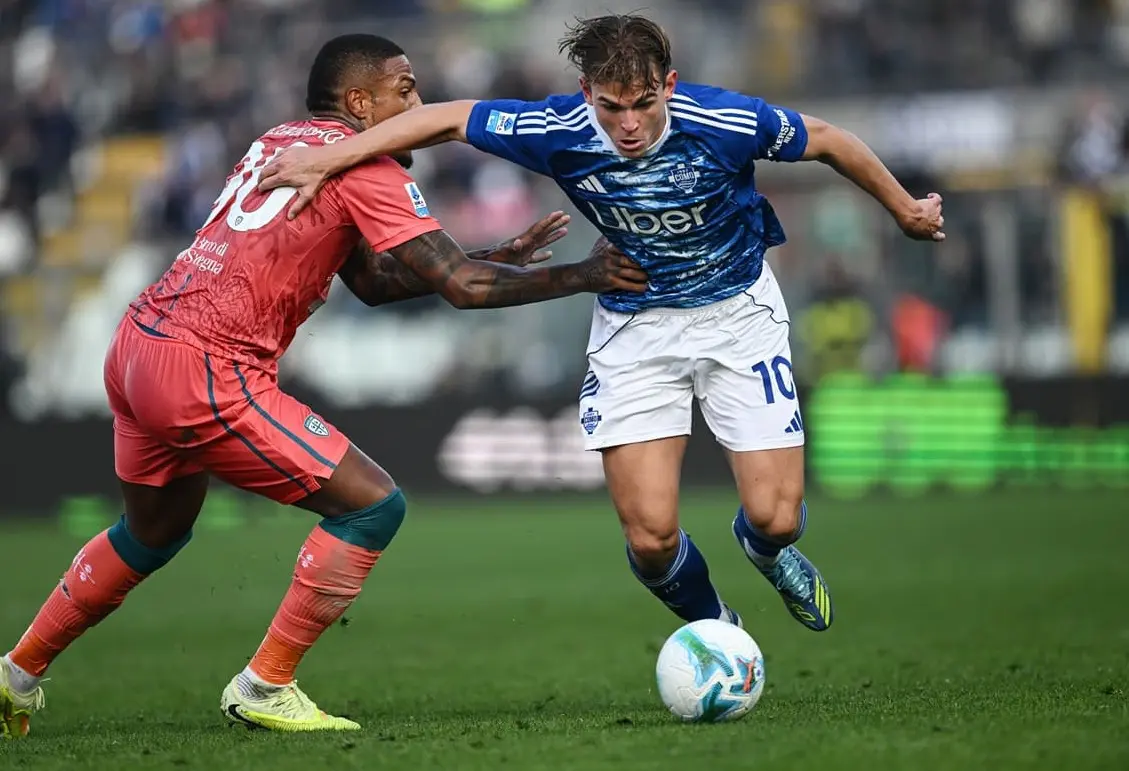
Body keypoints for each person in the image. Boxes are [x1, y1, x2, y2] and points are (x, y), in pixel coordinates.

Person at [0, 33, 647, 738]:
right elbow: (461, 288)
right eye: (405, 91)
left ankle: (15, 674)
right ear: (359, 102)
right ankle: (265, 683)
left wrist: (494, 256)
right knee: (372, 506)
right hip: (205, 366)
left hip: (138, 345)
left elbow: (369, 281)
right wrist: (581, 275)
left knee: (150, 532)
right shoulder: (368, 166)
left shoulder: (282, 140)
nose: (419, 106)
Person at [257, 15, 946, 638]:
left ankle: (765, 550)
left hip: (738, 315)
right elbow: (448, 119)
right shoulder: (557, 128)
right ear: (586, 92)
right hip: (635, 327)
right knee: (650, 539)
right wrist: (328, 157)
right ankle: (720, 632)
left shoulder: (725, 119)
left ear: (668, 85)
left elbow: (827, 140)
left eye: (644, 103)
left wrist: (905, 209)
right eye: (611, 107)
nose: (628, 125)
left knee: (776, 516)